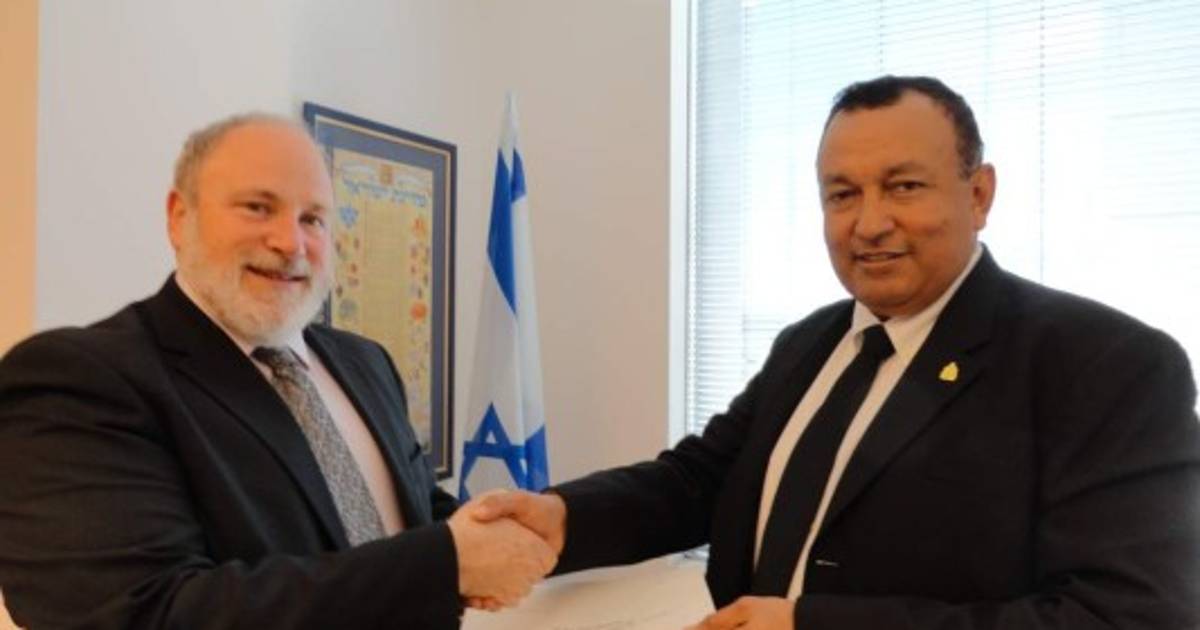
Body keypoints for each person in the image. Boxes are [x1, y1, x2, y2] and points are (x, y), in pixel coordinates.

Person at [473, 76, 1200, 629]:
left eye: (904, 186)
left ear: (979, 194)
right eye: (842, 194)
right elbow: (701, 480)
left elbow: (1129, 616)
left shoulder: (1108, 366)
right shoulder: (810, 343)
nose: (869, 223)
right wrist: (564, 517)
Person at [0, 114, 553, 629]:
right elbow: (147, 612)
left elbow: (417, 522)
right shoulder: (78, 380)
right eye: (257, 208)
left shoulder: (366, 363)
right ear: (179, 216)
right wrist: (446, 563)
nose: (291, 243)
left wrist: (537, 527)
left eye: (312, 218)